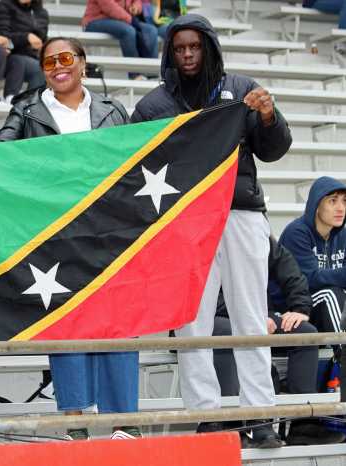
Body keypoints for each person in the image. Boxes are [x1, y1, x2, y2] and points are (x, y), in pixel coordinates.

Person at [131, 14, 292, 448]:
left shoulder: (242, 91)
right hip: (184, 222)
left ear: (209, 47)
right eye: (179, 48)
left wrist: (269, 115)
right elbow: (134, 169)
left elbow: (274, 150)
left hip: (240, 214)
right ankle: (207, 418)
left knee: (250, 315)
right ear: (169, 51)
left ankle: (260, 414)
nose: (187, 55)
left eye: (195, 47)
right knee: (192, 321)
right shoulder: (152, 106)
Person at [0, 37, 140, 440]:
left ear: (82, 63)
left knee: (119, 321)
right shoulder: (26, 110)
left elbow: (134, 165)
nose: (57, 67)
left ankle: (123, 421)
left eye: (65, 58)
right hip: (56, 231)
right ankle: (74, 418)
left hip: (109, 231)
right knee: (67, 320)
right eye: (48, 62)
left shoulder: (114, 111)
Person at [212, 236, 345, 445]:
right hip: (206, 318)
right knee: (230, 334)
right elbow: (199, 297)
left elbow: (289, 268)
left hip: (256, 315)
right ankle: (232, 426)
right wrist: (251, 317)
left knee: (306, 334)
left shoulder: (251, 226)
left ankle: (302, 424)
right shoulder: (200, 230)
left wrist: (300, 308)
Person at [280, 177, 346, 352]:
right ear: (317, 206)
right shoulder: (297, 232)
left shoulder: (342, 235)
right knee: (331, 293)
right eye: (333, 201)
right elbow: (309, 279)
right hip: (292, 308)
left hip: (326, 308)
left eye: (344, 201)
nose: (341, 208)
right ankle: (342, 354)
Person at [82, 0, 158, 80]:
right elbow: (109, 6)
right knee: (128, 31)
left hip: (123, 21)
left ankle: (152, 74)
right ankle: (135, 74)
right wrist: (130, 19)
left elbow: (137, 1)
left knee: (151, 30)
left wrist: (136, 7)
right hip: (95, 21)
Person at [0, 0, 48, 101]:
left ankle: (31, 103)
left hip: (32, 58)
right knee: (18, 61)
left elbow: (42, 39)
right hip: (7, 57)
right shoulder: (3, 6)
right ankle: (11, 98)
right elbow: (1, 38)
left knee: (44, 68)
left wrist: (42, 48)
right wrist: (26, 38)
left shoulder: (41, 13)